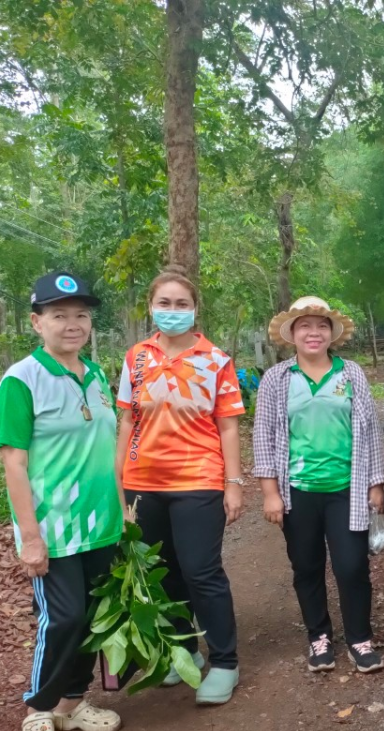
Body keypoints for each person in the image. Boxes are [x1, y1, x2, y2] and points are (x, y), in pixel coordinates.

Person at [0, 272, 123, 731]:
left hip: (101, 523)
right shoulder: (20, 380)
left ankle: (72, 704)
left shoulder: (93, 375)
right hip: (53, 528)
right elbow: (14, 461)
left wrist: (124, 511)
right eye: (59, 315)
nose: (73, 324)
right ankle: (38, 711)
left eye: (81, 315)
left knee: (92, 616)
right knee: (63, 617)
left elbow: (107, 448)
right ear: (37, 322)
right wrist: (29, 536)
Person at [115, 269, 245, 706]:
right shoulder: (136, 357)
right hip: (143, 481)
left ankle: (224, 660)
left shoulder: (216, 360)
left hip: (198, 479)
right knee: (162, 571)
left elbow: (228, 427)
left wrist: (233, 483)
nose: (173, 312)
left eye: (181, 304)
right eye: (164, 304)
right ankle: (184, 652)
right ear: (151, 307)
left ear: (195, 309)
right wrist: (120, 484)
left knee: (200, 570)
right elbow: (127, 420)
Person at [252, 296, 384, 674]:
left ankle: (360, 638)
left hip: (346, 487)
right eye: (305, 326)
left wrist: (377, 483)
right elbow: (263, 435)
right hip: (299, 490)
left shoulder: (351, 374)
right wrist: (270, 493)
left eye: (321, 326)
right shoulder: (277, 379)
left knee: (351, 566)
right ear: (292, 334)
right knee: (307, 567)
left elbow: (370, 431)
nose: (314, 333)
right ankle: (319, 637)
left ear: (332, 334)